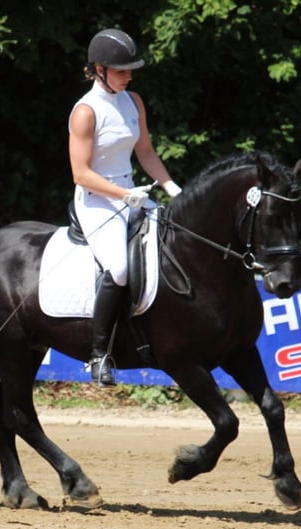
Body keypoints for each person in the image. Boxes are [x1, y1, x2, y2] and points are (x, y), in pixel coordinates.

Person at [68, 28, 182, 385]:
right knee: (118, 268)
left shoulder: (133, 101)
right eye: (122, 70)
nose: (129, 76)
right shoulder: (85, 112)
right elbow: (81, 173)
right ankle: (99, 355)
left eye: (131, 70)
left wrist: (171, 187)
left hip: (132, 193)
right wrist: (122, 196)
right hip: (97, 202)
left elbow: (145, 152)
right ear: (99, 69)